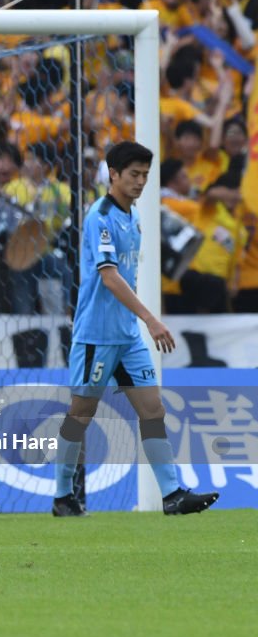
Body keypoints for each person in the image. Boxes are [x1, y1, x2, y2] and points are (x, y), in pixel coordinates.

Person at [53, 141, 219, 517]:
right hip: (96, 336)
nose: (141, 181)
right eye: (134, 174)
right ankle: (63, 495)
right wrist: (151, 318)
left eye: (145, 175)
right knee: (81, 414)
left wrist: (139, 321)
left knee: (152, 409)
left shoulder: (134, 216)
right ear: (113, 174)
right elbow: (110, 277)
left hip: (127, 336)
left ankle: (172, 495)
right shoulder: (100, 217)